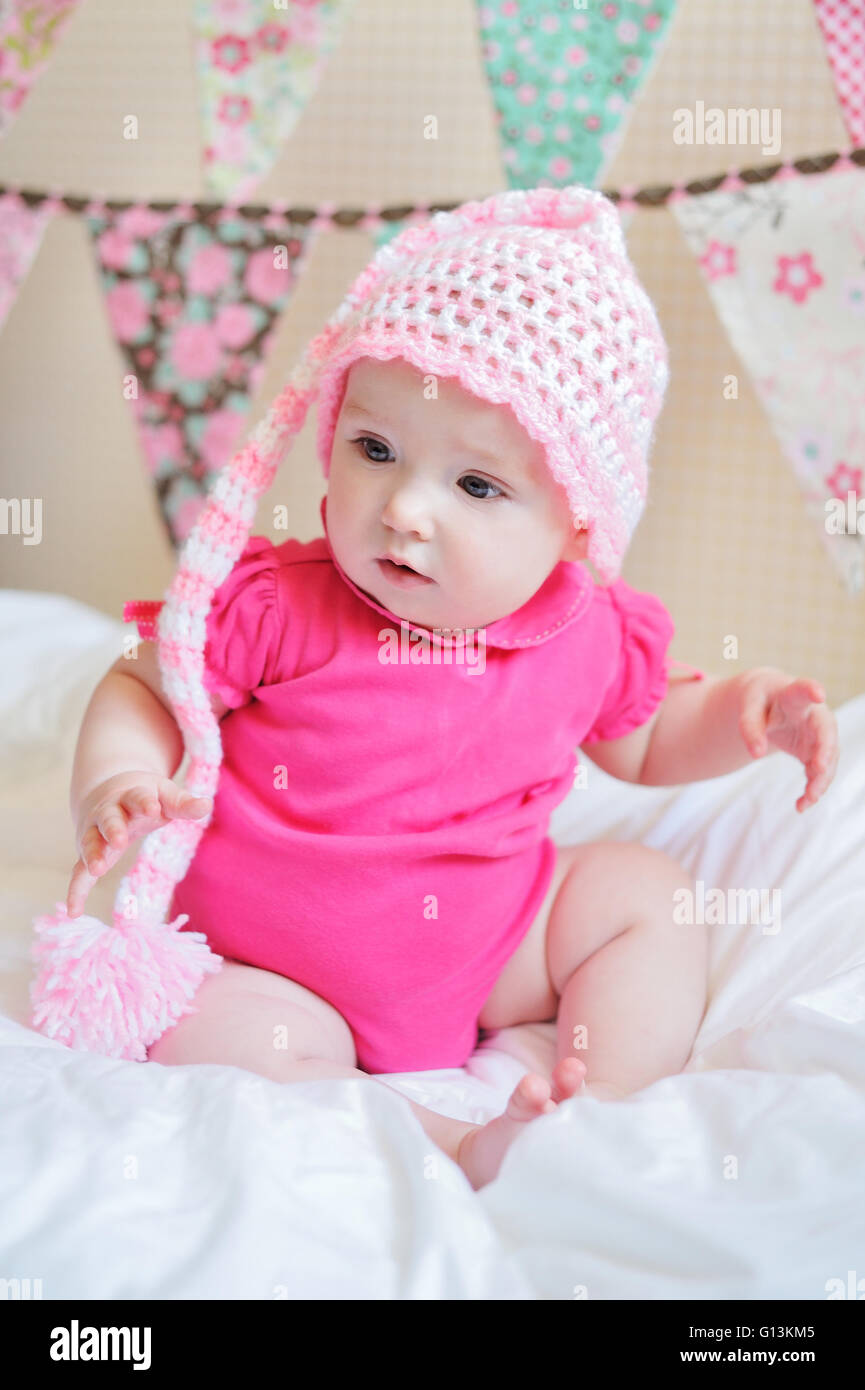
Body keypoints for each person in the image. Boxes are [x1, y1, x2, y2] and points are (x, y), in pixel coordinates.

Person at [60, 186, 839, 1190]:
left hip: (485, 945)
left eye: (476, 486)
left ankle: (593, 1113)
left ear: (577, 524)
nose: (404, 512)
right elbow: (146, 678)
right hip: (279, 966)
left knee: (647, 895)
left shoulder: (584, 632)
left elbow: (644, 741)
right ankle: (445, 1137)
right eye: (375, 451)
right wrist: (115, 779)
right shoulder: (282, 605)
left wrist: (744, 714)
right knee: (233, 1037)